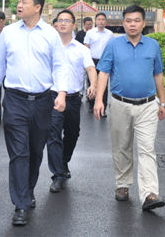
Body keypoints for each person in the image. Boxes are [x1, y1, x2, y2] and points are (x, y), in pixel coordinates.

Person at [0, 0, 67, 226]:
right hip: (15, 100)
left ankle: (28, 189)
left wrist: (61, 93)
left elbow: (60, 66)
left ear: (37, 7)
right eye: (18, 1)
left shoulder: (51, 35)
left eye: (24, 2)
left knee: (35, 151)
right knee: (19, 153)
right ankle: (20, 203)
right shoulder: (9, 33)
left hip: (43, 101)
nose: (19, 5)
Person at [93, 5, 165, 212]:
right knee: (122, 147)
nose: (132, 24)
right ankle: (123, 184)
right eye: (128, 21)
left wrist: (162, 102)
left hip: (148, 105)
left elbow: (158, 74)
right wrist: (99, 100)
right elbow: (103, 73)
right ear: (123, 23)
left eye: (136, 20)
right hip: (119, 103)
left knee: (147, 148)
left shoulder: (153, 45)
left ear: (143, 23)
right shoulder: (113, 45)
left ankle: (149, 193)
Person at [46, 10, 96, 193]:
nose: (63, 23)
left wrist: (93, 85)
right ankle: (57, 174)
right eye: (60, 20)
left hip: (73, 99)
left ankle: (63, 161)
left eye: (67, 20)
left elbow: (91, 69)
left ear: (74, 25)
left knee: (72, 133)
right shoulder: (49, 48)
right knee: (53, 135)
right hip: (52, 97)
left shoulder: (82, 49)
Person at [85, 12, 113, 113]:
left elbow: (111, 48)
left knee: (104, 85)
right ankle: (91, 105)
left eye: (103, 19)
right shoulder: (90, 33)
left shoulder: (110, 34)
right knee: (92, 83)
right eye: (99, 19)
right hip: (92, 61)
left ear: (105, 21)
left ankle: (103, 108)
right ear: (96, 21)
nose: (101, 21)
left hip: (105, 61)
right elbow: (86, 47)